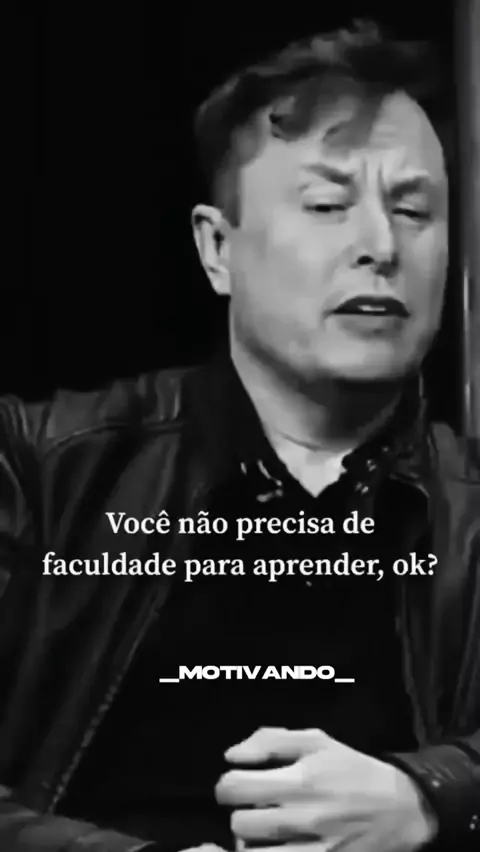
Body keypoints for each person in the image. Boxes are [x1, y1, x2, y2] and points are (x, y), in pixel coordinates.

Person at [0, 19, 479, 852]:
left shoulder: (468, 508)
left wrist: (435, 795)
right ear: (216, 248)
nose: (380, 246)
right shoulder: (42, 467)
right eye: (327, 206)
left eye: (414, 210)